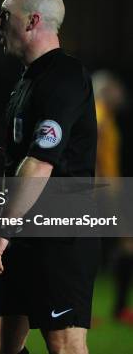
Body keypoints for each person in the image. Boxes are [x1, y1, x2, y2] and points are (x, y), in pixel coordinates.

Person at [0, 0, 99, 354]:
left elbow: (39, 164)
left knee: (64, 344)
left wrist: (2, 229)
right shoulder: (26, 81)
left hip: (59, 229)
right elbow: (15, 162)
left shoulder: (65, 76)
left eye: (6, 14)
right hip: (22, 225)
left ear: (32, 21)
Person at [91, 70, 133, 325]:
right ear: (106, 90)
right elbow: (91, 151)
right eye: (116, 88)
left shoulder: (106, 115)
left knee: (122, 245)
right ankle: (114, 308)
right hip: (102, 190)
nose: (121, 93)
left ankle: (119, 308)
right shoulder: (100, 114)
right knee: (105, 247)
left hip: (110, 190)